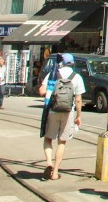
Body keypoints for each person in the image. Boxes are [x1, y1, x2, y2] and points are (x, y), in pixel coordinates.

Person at [38, 53, 85, 181]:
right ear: (72, 63)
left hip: (52, 110)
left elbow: (42, 91)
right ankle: (55, 172)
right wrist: (78, 116)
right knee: (62, 141)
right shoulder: (77, 77)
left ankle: (48, 163)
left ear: (61, 62)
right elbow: (79, 99)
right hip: (68, 111)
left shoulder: (53, 74)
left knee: (48, 138)